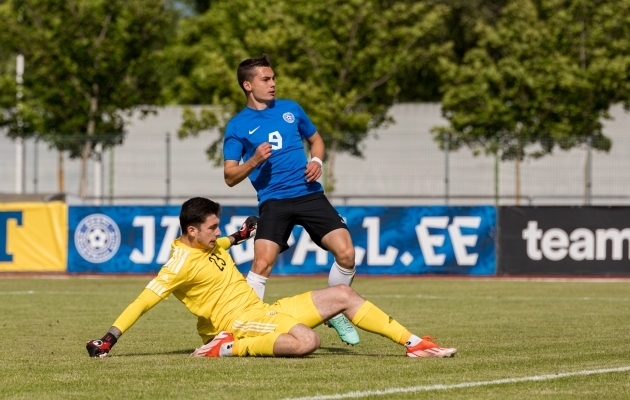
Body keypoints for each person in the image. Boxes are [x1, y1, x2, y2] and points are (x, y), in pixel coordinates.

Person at [86, 197, 457, 359]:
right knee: (307, 341)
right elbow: (143, 301)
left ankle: (413, 344)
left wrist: (242, 234)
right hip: (238, 324)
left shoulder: (208, 245)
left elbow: (225, 245)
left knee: (343, 292)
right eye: (212, 227)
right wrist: (108, 339)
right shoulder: (178, 264)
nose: (218, 232)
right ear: (192, 231)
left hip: (262, 310)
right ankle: (226, 348)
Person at [222, 54, 361, 345]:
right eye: (266, 79)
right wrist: (254, 161)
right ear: (248, 85)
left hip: (310, 195)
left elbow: (317, 140)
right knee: (261, 264)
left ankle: (334, 311)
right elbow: (230, 176)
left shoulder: (290, 109)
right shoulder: (237, 126)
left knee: (347, 254)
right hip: (274, 202)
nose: (273, 84)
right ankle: (244, 329)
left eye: (273, 78)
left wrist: (318, 161)